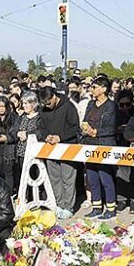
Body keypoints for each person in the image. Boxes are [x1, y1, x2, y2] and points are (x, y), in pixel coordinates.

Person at [36, 86, 81, 218]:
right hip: (51, 149)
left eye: (49, 103)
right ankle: (59, 204)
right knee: (54, 178)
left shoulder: (68, 106)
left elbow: (75, 128)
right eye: (44, 104)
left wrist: (60, 137)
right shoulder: (44, 109)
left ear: (54, 96)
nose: (47, 106)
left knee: (67, 178)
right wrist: (46, 136)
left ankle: (68, 206)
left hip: (67, 147)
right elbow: (40, 126)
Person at [80, 74, 117, 219]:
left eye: (94, 87)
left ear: (103, 89)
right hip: (89, 144)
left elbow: (113, 127)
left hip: (104, 144)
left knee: (105, 177)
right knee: (92, 177)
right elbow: (85, 120)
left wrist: (97, 132)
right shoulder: (90, 104)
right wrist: (85, 128)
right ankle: (96, 206)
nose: (92, 90)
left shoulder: (111, 106)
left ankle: (111, 208)